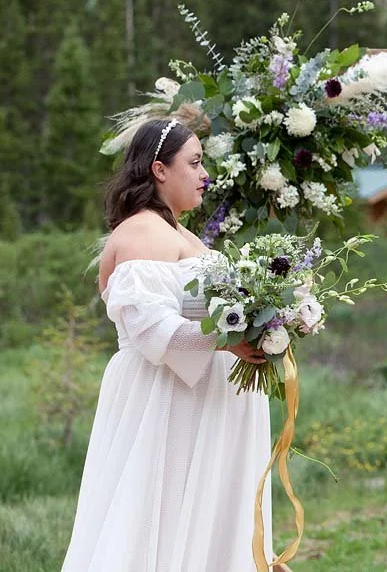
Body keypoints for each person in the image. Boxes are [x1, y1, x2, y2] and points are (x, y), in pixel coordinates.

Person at [62, 117, 281, 572]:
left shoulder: (179, 232)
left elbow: (194, 309)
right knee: (160, 524)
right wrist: (227, 341)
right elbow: (149, 326)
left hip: (200, 402)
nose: (205, 174)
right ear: (159, 169)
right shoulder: (143, 231)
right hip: (167, 402)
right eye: (195, 163)